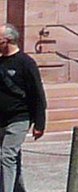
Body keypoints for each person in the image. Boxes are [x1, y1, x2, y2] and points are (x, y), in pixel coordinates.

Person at [0, 25, 44, 192]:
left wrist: (40, 123)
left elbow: (37, 94)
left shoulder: (26, 63)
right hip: (1, 119)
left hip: (19, 118)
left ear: (8, 41)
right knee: (12, 158)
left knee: (6, 156)